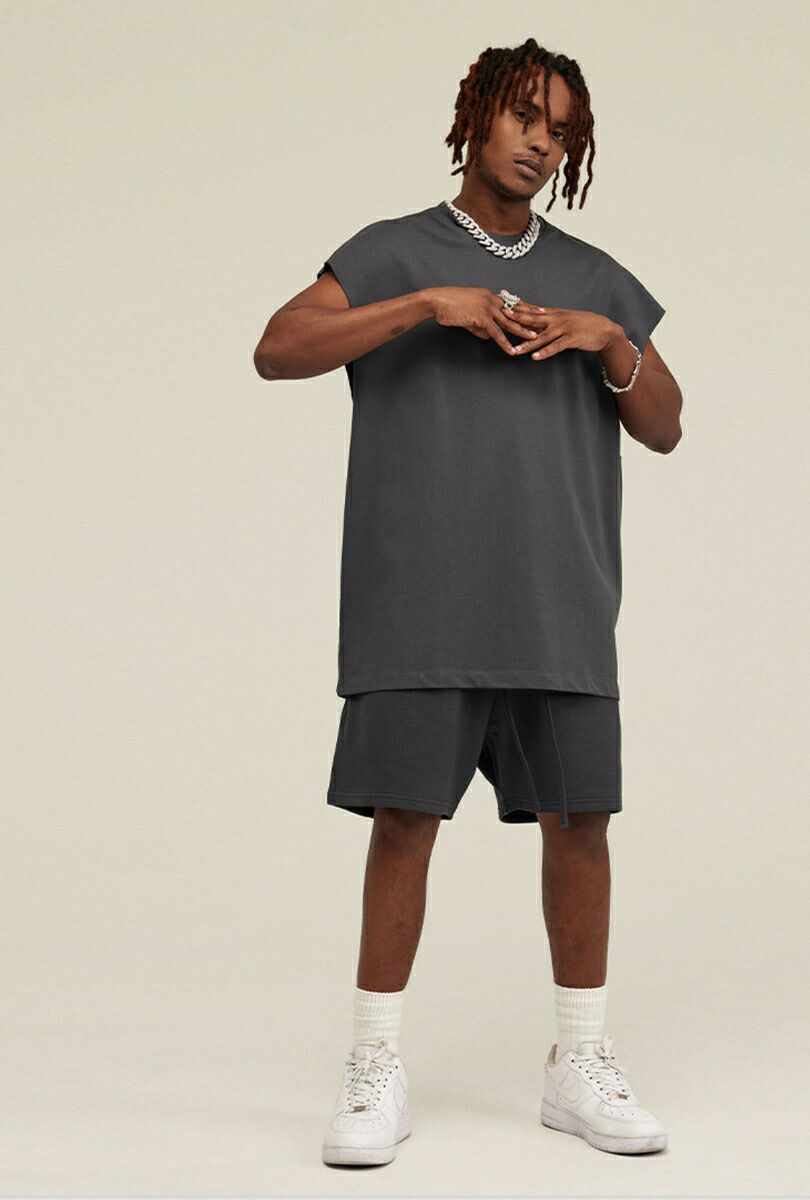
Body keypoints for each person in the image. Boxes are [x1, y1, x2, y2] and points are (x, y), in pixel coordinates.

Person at [253, 36, 683, 1165]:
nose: (542, 142)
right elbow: (278, 347)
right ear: (478, 114)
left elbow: (666, 426)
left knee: (580, 827)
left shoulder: (596, 277)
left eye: (562, 131)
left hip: (559, 603)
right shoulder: (392, 252)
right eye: (526, 116)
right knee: (405, 823)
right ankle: (373, 1065)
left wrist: (610, 341)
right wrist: (424, 305)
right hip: (420, 605)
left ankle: (578, 1061)